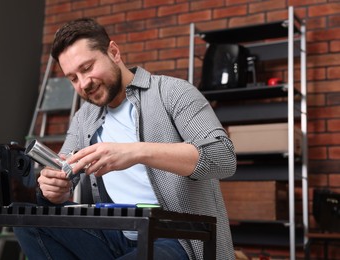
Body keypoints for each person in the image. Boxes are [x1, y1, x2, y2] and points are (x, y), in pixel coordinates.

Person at [14, 18, 237, 260]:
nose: (84, 84)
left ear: (114, 52)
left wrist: (134, 152)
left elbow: (222, 157)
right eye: (73, 78)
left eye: (87, 68)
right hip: (114, 232)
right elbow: (64, 169)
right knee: (28, 219)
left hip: (177, 236)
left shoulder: (173, 92)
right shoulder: (84, 118)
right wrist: (53, 188)